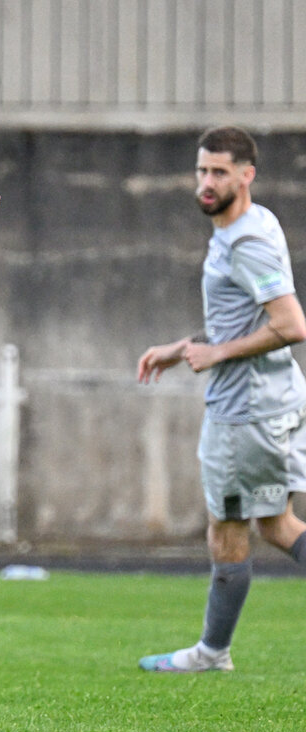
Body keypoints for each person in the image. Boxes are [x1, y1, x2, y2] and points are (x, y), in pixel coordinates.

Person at [137, 126, 306, 672]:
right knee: (275, 524)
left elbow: (291, 325)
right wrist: (183, 348)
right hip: (267, 403)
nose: (206, 182)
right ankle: (212, 651)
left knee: (230, 529)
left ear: (246, 175)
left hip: (246, 415)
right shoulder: (250, 226)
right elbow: (243, 319)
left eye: (219, 172)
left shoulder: (247, 242)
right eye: (201, 170)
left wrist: (216, 354)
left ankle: (212, 653)